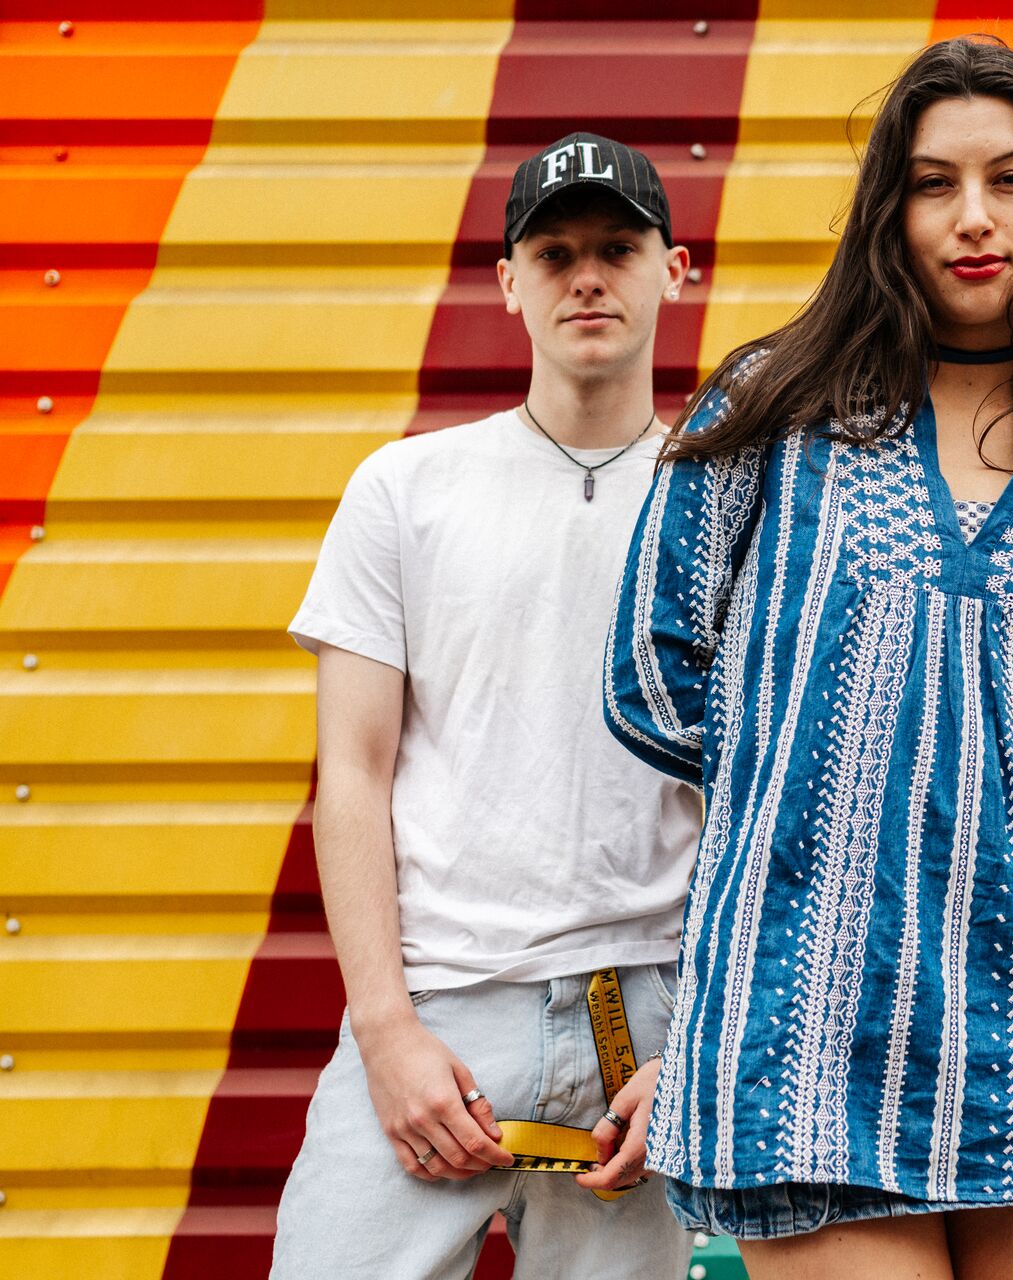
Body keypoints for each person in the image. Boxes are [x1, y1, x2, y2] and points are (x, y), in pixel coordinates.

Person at [597, 37, 1013, 1280]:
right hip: (809, 1013)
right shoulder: (767, 408)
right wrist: (822, 786)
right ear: (889, 207)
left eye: (1010, 180)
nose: (975, 218)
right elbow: (649, 671)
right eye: (934, 182)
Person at [271, 133, 701, 1278]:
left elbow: (763, 793)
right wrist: (385, 1031)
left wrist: (702, 1046)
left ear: (678, 267)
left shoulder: (729, 503)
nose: (588, 277)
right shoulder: (406, 491)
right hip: (440, 1008)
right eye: (554, 253)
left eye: (619, 247)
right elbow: (350, 775)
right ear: (510, 283)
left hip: (645, 1025)